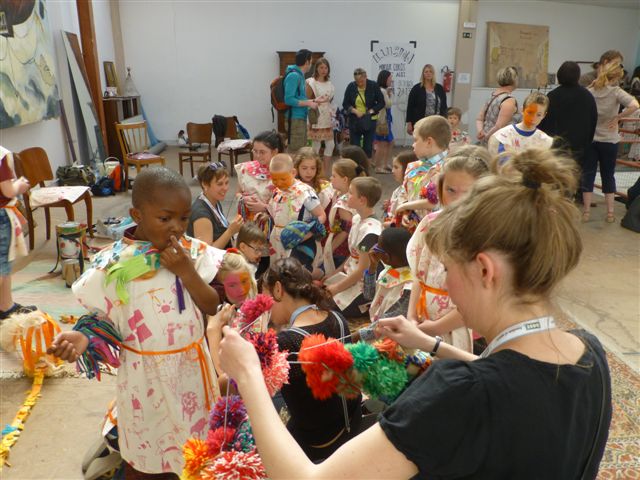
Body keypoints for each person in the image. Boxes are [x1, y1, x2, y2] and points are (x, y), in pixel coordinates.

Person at [217, 148, 612, 479]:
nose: (447, 287)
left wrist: (249, 373)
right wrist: (429, 342)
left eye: (447, 270)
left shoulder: (457, 392)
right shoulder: (587, 353)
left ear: (484, 270)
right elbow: (516, 380)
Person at [48, 167, 224, 477]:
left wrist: (186, 271)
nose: (176, 228)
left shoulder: (193, 254)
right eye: (165, 218)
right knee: (146, 458)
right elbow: (102, 318)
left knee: (195, 455)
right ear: (137, 215)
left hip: (191, 376)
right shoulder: (113, 263)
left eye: (183, 218)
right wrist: (83, 338)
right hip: (144, 381)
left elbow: (212, 304)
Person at [261, 257, 364, 460]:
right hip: (351, 422)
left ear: (278, 289)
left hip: (319, 440)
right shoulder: (337, 318)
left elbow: (238, 383)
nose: (266, 309)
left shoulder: (286, 341)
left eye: (266, 299)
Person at [406, 145, 491, 353]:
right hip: (424, 319)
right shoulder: (430, 223)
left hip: (466, 328)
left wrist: (435, 328)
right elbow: (419, 275)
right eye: (450, 190)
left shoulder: (488, 234)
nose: (457, 200)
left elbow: (479, 298)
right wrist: (411, 317)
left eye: (468, 192)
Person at [583, 62, 639, 223]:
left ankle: (586, 212)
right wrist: (618, 117)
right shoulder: (616, 92)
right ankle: (610, 213)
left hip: (591, 139)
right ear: (616, 77)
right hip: (609, 140)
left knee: (588, 175)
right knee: (608, 176)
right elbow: (635, 105)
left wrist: (591, 86)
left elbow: (581, 97)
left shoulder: (591, 91)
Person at [538, 61, 598, 199]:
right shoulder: (587, 96)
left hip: (555, 146)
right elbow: (593, 121)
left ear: (559, 75)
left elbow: (543, 121)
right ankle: (569, 202)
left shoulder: (552, 96)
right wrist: (586, 143)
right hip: (578, 147)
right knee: (572, 180)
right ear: (578, 76)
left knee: (554, 179)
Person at [324, 177, 382, 318]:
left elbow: (363, 270)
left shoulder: (370, 232)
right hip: (351, 274)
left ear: (362, 200)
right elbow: (353, 255)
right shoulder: (357, 219)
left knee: (327, 306)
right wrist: (336, 272)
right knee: (321, 290)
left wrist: (336, 288)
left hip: (363, 284)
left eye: (350, 193)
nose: (346, 196)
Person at [267, 154, 326, 263]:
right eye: (274, 179)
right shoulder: (277, 191)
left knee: (294, 271)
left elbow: (321, 215)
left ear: (293, 172)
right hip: (277, 241)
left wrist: (307, 234)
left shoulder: (305, 193)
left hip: (299, 242)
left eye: (283, 179)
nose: (279, 183)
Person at [0, 146, 35, 320]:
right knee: (2, 265)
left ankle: (6, 306)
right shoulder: (1, 156)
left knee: (5, 265)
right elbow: (7, 190)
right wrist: (19, 186)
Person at [396, 115, 451, 223]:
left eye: (415, 140)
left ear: (429, 142)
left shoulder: (448, 169)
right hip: (411, 226)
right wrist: (405, 212)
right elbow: (404, 193)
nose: (413, 145)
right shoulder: (413, 167)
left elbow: (437, 202)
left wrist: (406, 206)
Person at [362, 227, 413, 324]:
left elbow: (389, 322)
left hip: (388, 328)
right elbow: (369, 295)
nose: (374, 250)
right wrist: (372, 267)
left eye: (377, 248)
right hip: (379, 325)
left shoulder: (408, 287)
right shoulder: (388, 271)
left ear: (386, 257)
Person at [187, 161, 243, 249]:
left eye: (227, 182)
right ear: (205, 184)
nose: (225, 188)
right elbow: (206, 252)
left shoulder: (213, 200)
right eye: (220, 184)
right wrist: (230, 231)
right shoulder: (201, 216)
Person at [322, 159, 361, 276]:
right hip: (340, 247)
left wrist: (330, 248)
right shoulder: (340, 194)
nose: (330, 178)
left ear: (345, 179)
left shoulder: (344, 203)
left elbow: (345, 231)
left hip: (341, 250)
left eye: (334, 176)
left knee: (330, 275)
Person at [236, 130, 283, 223]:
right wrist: (243, 199)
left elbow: (287, 204)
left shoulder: (283, 174)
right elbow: (238, 192)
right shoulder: (245, 169)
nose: (257, 155)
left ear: (274, 152)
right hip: (248, 223)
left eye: (262, 152)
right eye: (255, 151)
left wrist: (265, 208)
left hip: (270, 224)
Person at [488, 91, 553, 159]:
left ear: (544, 115)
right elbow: (500, 162)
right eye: (530, 112)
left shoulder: (545, 140)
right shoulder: (504, 136)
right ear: (522, 110)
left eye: (538, 115)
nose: (533, 118)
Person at [342, 68, 385, 159]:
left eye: (362, 81)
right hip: (355, 121)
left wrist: (371, 111)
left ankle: (366, 165)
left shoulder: (373, 85)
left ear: (366, 77)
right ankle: (356, 166)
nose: (360, 84)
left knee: (368, 148)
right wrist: (354, 111)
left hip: (370, 120)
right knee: (355, 148)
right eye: (357, 81)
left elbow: (382, 102)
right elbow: (345, 104)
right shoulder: (351, 86)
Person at [284, 49, 318, 153]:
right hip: (295, 119)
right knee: (295, 151)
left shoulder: (299, 75)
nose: (311, 64)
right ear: (307, 62)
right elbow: (288, 99)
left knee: (300, 150)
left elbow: (299, 98)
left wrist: (314, 100)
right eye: (311, 61)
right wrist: (309, 103)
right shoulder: (294, 76)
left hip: (299, 118)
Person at [305, 57, 336, 173]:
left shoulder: (330, 84)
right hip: (316, 116)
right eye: (321, 67)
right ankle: (315, 172)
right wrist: (317, 100)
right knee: (316, 146)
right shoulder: (311, 82)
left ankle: (325, 172)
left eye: (326, 68)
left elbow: (330, 100)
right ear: (316, 68)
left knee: (330, 144)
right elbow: (306, 99)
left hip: (327, 117)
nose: (323, 70)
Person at [476, 66, 519, 145]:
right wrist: (486, 137)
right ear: (514, 80)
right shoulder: (508, 100)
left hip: (486, 139)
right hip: (498, 142)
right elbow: (499, 126)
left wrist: (480, 131)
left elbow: (479, 119)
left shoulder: (492, 96)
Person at [405, 64, 448, 135]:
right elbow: (410, 106)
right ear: (423, 74)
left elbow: (444, 106)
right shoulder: (416, 88)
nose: (428, 73)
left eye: (430, 71)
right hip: (421, 123)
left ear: (433, 74)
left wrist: (445, 121)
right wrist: (409, 123)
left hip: (436, 123)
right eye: (426, 71)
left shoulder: (439, 88)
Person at [382, 150, 416, 228]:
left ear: (408, 168)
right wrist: (389, 206)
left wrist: (392, 224)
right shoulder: (398, 190)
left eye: (396, 167)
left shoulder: (412, 192)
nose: (392, 171)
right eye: (393, 167)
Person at [372, 70, 394, 174]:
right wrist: (390, 95)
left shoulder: (381, 90)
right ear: (385, 79)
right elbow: (388, 104)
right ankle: (378, 166)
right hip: (382, 121)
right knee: (382, 144)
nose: (391, 80)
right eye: (390, 78)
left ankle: (385, 164)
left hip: (385, 119)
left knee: (390, 142)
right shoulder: (382, 91)